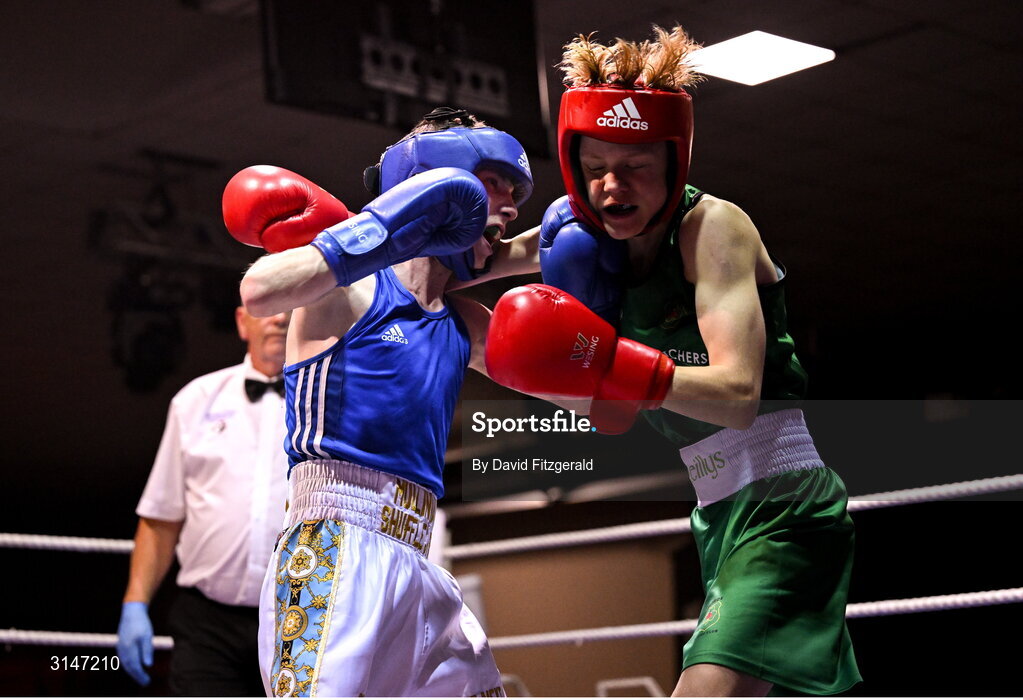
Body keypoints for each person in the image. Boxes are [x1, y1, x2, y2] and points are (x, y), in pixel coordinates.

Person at [484, 26, 861, 696]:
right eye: (595, 166)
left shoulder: (713, 228)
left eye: (633, 167)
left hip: (781, 504)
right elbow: (461, 273)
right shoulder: (579, 239)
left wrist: (604, 358)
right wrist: (361, 253)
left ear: (672, 162)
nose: (611, 186)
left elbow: (738, 395)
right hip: (715, 507)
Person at [227, 107, 538, 697]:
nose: (512, 205)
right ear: (441, 182)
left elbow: (582, 396)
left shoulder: (464, 322)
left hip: (420, 560)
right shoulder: (351, 288)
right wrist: (387, 228)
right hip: (336, 544)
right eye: (495, 183)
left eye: (515, 193)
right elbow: (258, 289)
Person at [116, 305, 291, 695]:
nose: (280, 319)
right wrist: (135, 603)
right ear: (242, 321)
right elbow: (161, 517)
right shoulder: (194, 401)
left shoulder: (327, 404)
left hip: (296, 616)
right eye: (268, 308)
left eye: (290, 308)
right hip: (207, 624)